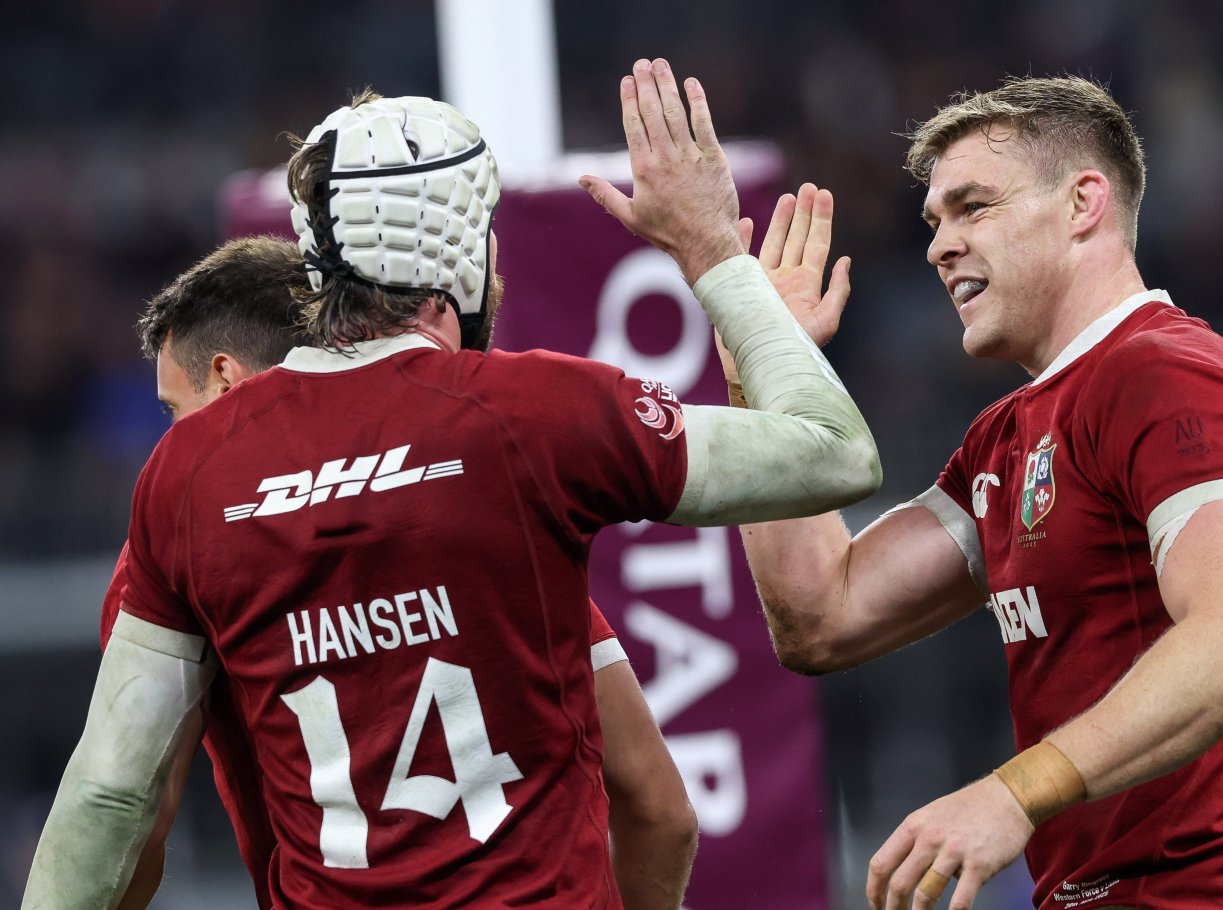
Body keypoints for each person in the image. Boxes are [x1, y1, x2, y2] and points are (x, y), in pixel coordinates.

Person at [24, 58, 878, 909]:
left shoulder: (188, 472)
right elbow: (836, 452)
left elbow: (111, 798)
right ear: (462, 257)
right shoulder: (532, 415)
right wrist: (715, 251)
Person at [727, 77, 1223, 909]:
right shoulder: (1006, 436)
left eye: (974, 207)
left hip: (1212, 892)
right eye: (935, 222)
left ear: (1084, 202)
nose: (940, 247)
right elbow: (822, 615)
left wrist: (1013, 792)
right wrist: (762, 371)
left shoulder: (1164, 375)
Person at [97, 235, 696, 910]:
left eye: (173, 410)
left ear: (227, 379)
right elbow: (659, 809)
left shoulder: (170, 556)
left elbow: (121, 826)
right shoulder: (492, 514)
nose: (172, 439)